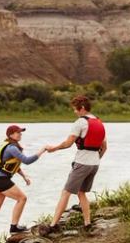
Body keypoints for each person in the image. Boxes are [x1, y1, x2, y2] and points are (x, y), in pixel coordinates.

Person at [40, 93, 107, 229]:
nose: (74, 111)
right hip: (95, 164)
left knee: (66, 192)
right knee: (81, 192)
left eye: (75, 109)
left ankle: (53, 225)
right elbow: (104, 147)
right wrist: (96, 159)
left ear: (82, 108)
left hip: (82, 163)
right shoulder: (99, 122)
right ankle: (87, 223)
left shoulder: (80, 122)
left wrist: (54, 148)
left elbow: (68, 143)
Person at [0, 123, 40, 243]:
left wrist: (24, 175)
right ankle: (14, 227)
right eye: (18, 132)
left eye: (21, 132)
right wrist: (42, 150)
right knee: (22, 198)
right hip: (1, 180)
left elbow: (12, 164)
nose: (20, 134)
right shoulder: (12, 148)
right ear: (11, 135)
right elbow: (26, 161)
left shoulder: (11, 147)